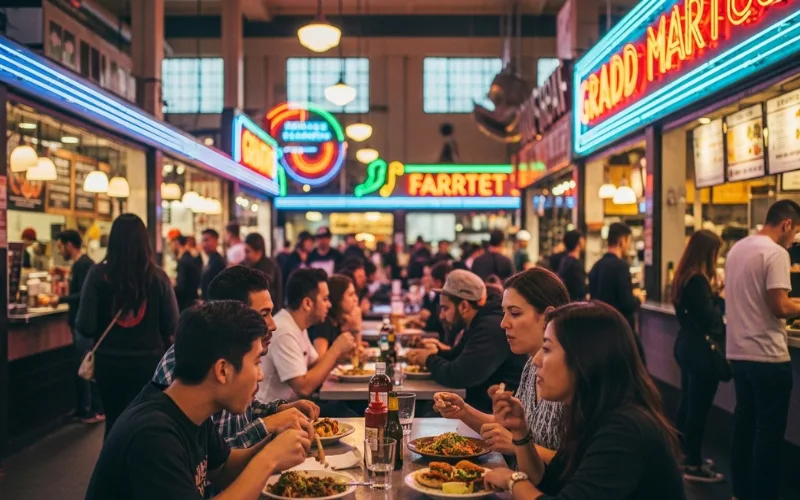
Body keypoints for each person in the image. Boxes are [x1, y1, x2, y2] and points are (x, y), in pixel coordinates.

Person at [85, 301, 313, 500]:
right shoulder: (152, 435)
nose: (260, 375)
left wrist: (272, 442)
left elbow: (223, 469)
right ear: (222, 370)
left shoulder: (191, 409)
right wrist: (269, 460)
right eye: (256, 362)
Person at [483, 301, 685, 500]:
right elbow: (546, 480)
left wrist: (512, 480)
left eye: (547, 349)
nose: (536, 360)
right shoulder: (590, 414)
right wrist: (521, 431)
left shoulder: (623, 429)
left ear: (583, 358)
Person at [154, 265, 319, 449]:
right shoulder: (190, 361)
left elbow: (238, 417)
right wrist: (268, 426)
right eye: (263, 315)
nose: (272, 325)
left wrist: (277, 410)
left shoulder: (228, 348)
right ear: (232, 314)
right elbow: (210, 463)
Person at [434, 268, 569, 462]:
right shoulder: (531, 364)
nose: (503, 323)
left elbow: (579, 466)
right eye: (504, 312)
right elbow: (505, 428)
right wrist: (462, 411)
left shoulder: (571, 375)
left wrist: (519, 446)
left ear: (548, 317)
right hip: (517, 482)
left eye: (514, 313)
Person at [76, 214, 179, 435]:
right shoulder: (158, 278)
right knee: (146, 424)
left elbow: (85, 325)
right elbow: (172, 325)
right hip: (149, 364)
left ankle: (112, 467)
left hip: (109, 364)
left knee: (114, 423)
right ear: (145, 242)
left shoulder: (96, 275)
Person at [725, 200, 800, 500]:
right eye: (795, 232)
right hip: (768, 357)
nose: (794, 239)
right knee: (768, 436)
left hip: (739, 355)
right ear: (786, 225)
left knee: (744, 428)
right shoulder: (776, 253)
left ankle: (740, 493)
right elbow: (779, 305)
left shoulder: (737, 250)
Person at [406, 270, 526, 413]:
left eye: (445, 308)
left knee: (420, 411)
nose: (441, 316)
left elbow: (459, 375)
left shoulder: (490, 327)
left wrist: (428, 359)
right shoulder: (479, 321)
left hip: (495, 414)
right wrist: (437, 353)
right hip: (479, 405)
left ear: (463, 306)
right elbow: (458, 356)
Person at [671, 229, 725, 483]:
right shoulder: (698, 280)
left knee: (688, 403)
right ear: (708, 252)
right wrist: (720, 299)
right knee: (698, 408)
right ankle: (693, 463)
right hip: (700, 351)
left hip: (686, 345)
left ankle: (686, 454)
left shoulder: (683, 276)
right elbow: (709, 318)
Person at [259, 269, 356, 404]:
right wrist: (336, 350)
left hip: (293, 409)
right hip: (274, 414)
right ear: (307, 303)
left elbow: (314, 365)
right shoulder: (284, 331)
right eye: (325, 299)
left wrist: (340, 357)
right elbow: (303, 387)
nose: (329, 304)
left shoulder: (297, 325)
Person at [56, 230, 103, 424]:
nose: (59, 251)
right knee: (85, 366)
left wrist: (59, 299)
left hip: (83, 325)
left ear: (68, 245)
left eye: (59, 246)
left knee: (85, 367)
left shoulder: (84, 265)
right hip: (82, 324)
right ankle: (87, 408)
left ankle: (90, 409)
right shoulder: (82, 265)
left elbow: (83, 295)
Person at [588, 222, 645, 361]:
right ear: (622, 241)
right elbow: (626, 303)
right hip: (618, 331)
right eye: (628, 241)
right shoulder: (621, 267)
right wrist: (638, 299)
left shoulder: (596, 266)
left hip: (599, 330)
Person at [308, 274, 362, 357]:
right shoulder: (324, 322)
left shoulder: (338, 321)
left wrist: (356, 329)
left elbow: (357, 354)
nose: (356, 299)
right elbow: (320, 362)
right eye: (351, 295)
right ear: (338, 298)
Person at [245, 233, 283, 312]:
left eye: (247, 251)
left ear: (258, 252)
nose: (245, 255)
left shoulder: (269, 267)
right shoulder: (252, 265)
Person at [171, 235, 201, 311]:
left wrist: (171, 290)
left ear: (177, 244)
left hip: (185, 303)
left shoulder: (183, 262)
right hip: (192, 300)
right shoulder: (191, 259)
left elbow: (182, 286)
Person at [557, 230, 587, 302]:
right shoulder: (575, 265)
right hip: (575, 306)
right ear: (578, 242)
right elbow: (579, 291)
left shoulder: (564, 261)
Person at [200, 229, 227, 300]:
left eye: (206, 240)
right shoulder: (211, 260)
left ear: (216, 241)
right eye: (202, 241)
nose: (203, 244)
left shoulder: (218, 261)